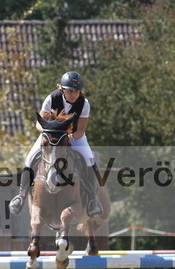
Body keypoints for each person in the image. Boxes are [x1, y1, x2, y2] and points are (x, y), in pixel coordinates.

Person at [8, 71, 104, 218]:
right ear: (62, 89)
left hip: (73, 137)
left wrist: (69, 138)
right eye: (70, 91)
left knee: (89, 159)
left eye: (77, 91)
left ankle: (92, 199)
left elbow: (81, 130)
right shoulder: (51, 98)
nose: (74, 94)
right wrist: (47, 133)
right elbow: (39, 123)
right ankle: (21, 195)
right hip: (50, 136)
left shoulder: (84, 103)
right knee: (30, 158)